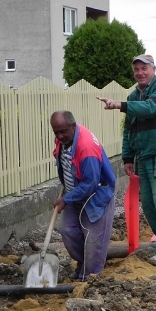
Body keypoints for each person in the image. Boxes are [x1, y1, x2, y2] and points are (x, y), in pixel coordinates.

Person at [96, 54, 156, 267]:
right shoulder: (134, 96)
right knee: (150, 207)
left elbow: (151, 108)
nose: (140, 73)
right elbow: (129, 130)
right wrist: (127, 157)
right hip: (143, 158)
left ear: (153, 69)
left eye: (144, 68)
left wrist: (119, 105)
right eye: (136, 69)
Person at [50, 110, 116, 281]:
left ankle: (89, 279)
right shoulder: (63, 139)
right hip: (75, 193)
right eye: (56, 132)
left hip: (96, 196)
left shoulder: (86, 148)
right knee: (67, 231)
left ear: (73, 126)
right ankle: (83, 263)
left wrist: (66, 199)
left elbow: (90, 184)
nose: (59, 136)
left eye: (63, 131)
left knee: (93, 242)